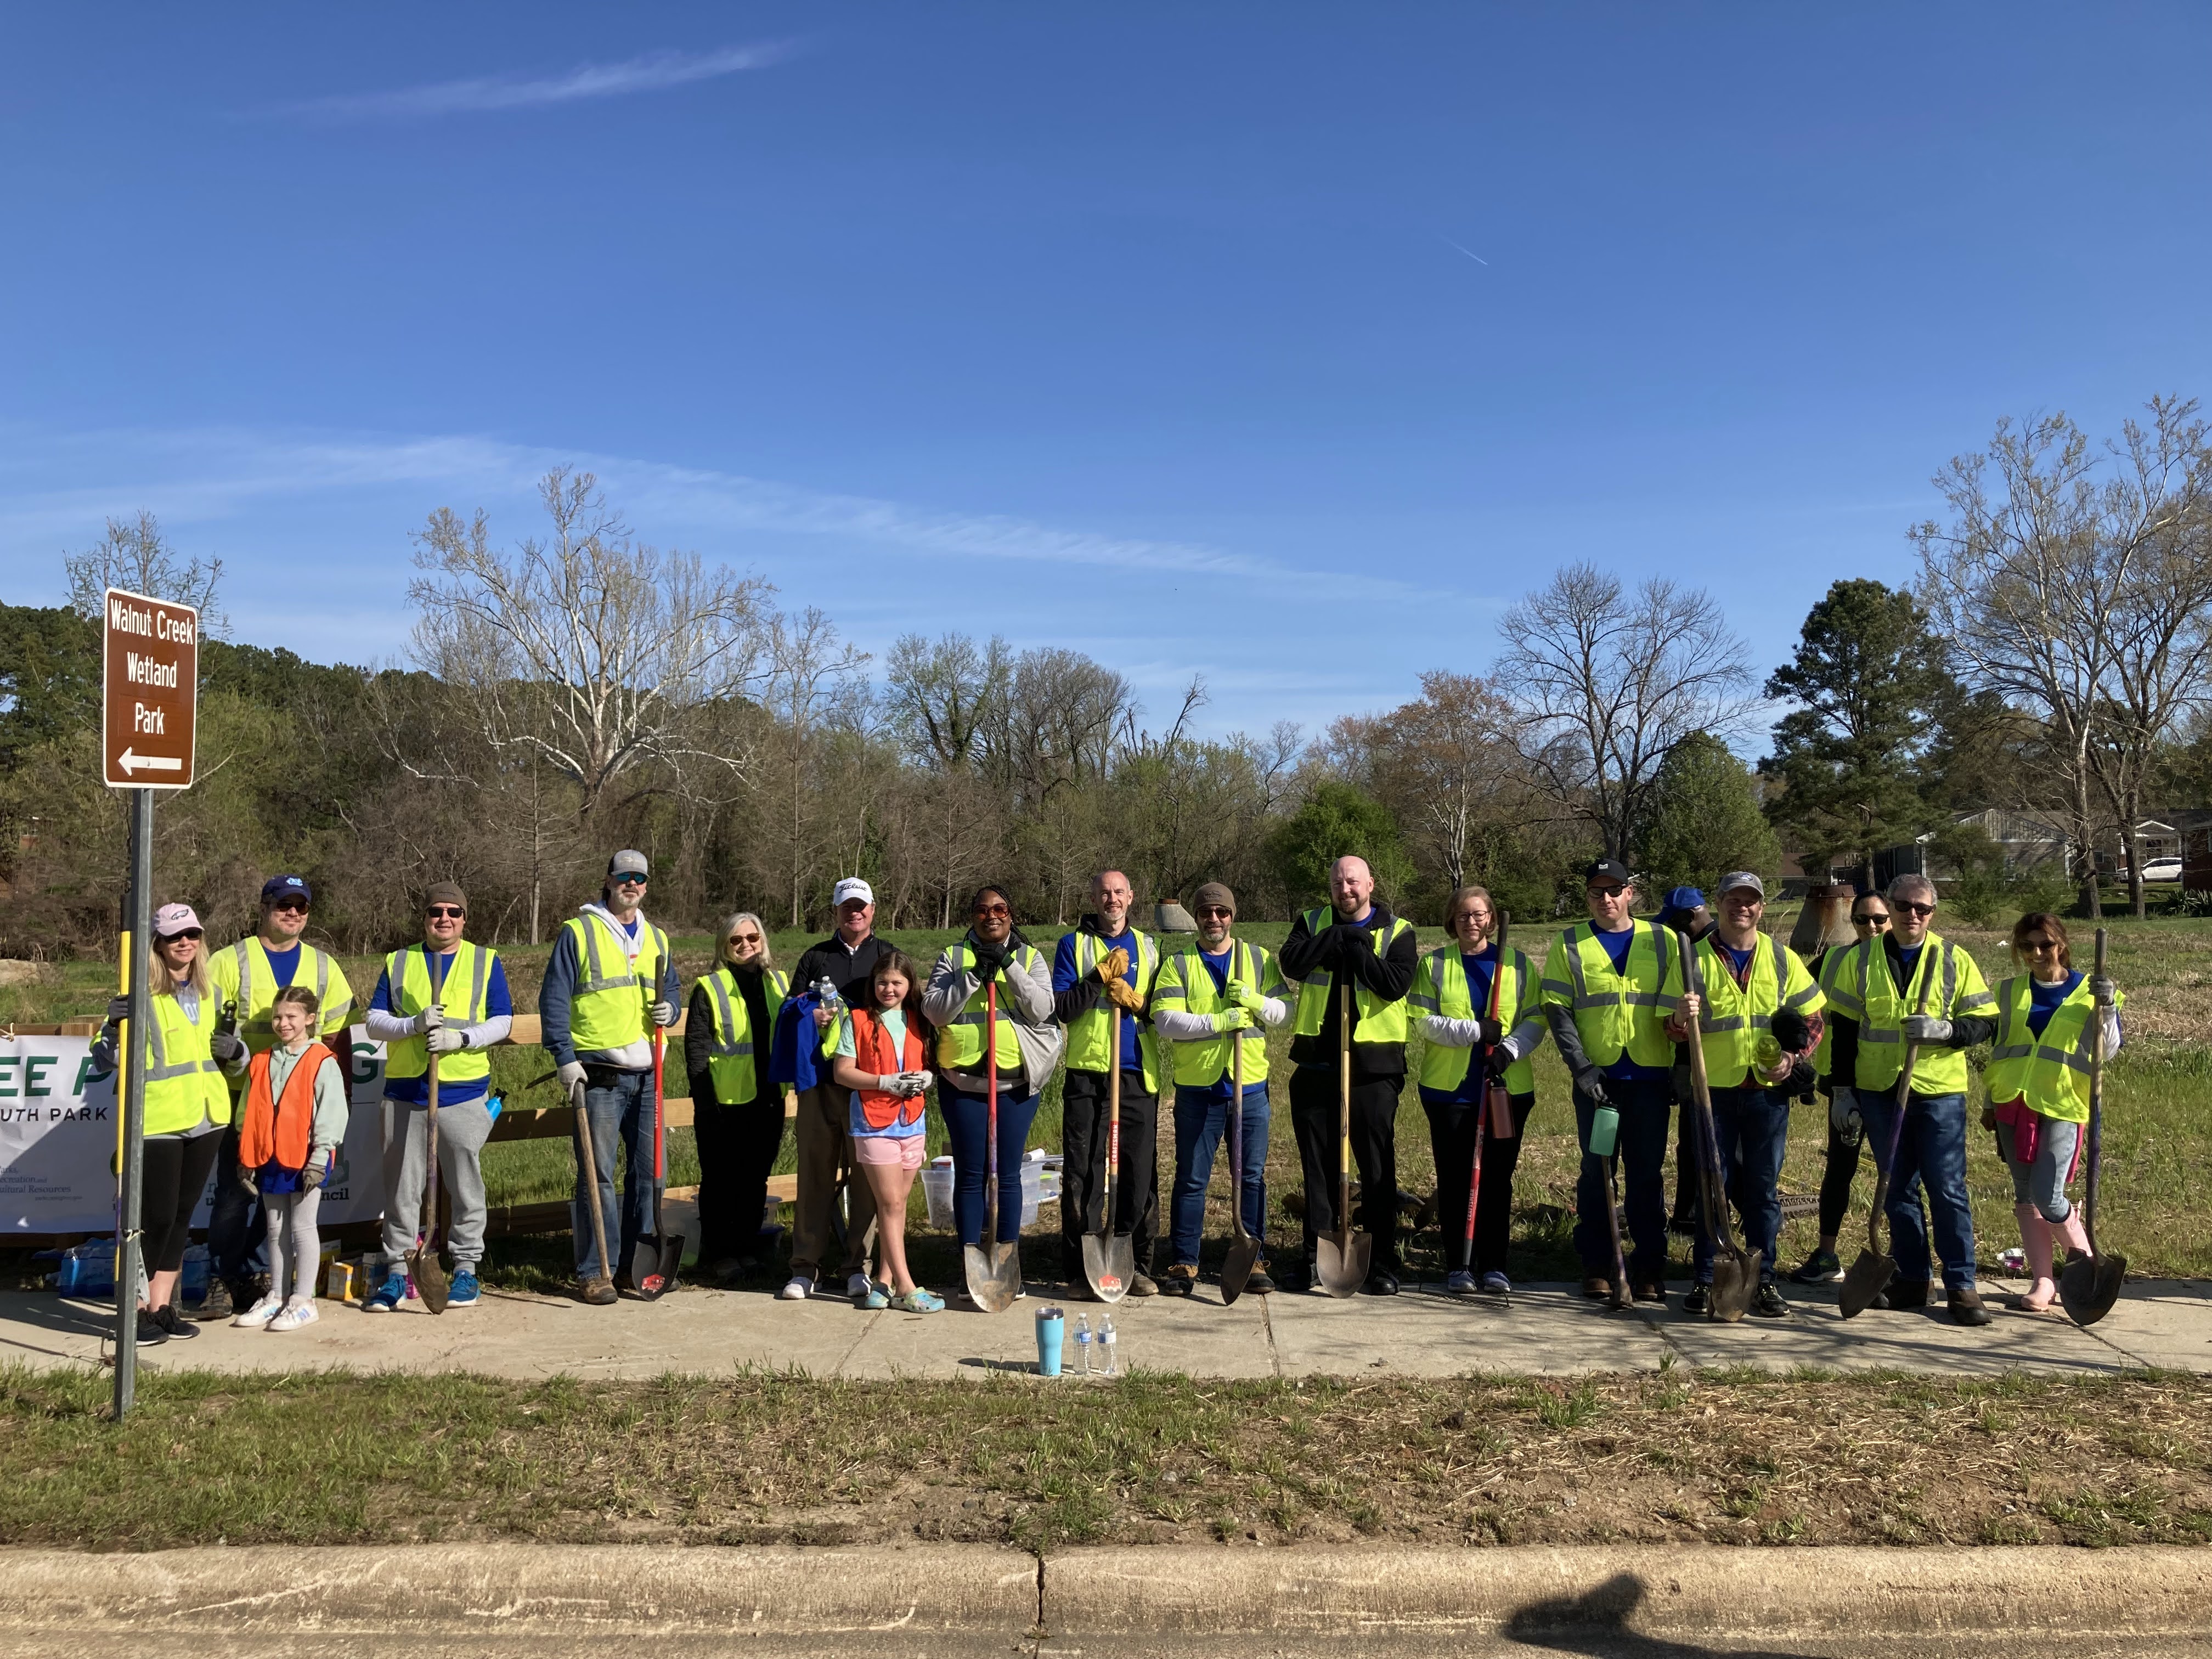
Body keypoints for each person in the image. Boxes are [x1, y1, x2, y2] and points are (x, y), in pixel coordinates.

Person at [1823, 873, 1999, 1325]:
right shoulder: (1859, 960)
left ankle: (1961, 1285)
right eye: (1904, 907)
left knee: (1947, 1188)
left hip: (1937, 1091)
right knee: (1895, 1186)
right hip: (1879, 1089)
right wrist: (1842, 1091)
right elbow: (1843, 1029)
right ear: (1891, 908)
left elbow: (1984, 1022)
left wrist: (1946, 1031)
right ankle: (1913, 1278)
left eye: (1923, 909)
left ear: (1933, 913)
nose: (1913, 916)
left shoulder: (1953, 959)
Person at [1667, 872, 1825, 1318]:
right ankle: (1705, 1278)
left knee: (1762, 1189)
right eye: (1734, 899)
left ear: (1761, 907)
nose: (1743, 907)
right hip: (1711, 1090)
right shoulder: (1691, 958)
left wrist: (1793, 1059)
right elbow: (1669, 1028)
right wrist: (1680, 1017)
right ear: (1718, 904)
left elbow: (1814, 1016)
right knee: (1711, 1184)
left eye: (1751, 901)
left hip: (1766, 1093)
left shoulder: (1781, 958)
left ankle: (1763, 1280)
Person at [201, 875, 356, 1322]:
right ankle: (223, 1277)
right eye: (282, 904)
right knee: (235, 1194)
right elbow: (206, 1025)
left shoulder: (324, 966)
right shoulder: (230, 961)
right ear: (264, 907)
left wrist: (337, 1098)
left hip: (299, 1107)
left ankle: (260, 1277)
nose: (292, 913)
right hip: (241, 1098)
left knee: (282, 1205)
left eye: (300, 907)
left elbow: (337, 1037)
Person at [91, 902, 245, 1345]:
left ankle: (161, 1308)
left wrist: (236, 1054)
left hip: (207, 1116)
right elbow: (105, 1060)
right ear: (157, 944)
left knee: (180, 1217)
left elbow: (226, 1059)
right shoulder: (138, 992)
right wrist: (113, 1028)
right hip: (156, 1119)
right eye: (176, 936)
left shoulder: (208, 991)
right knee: (152, 1218)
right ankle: (133, 1309)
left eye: (193, 935)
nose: (186, 943)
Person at [360, 882, 514, 1313]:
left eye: (453, 912)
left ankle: (466, 1269)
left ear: (465, 918)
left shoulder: (485, 962)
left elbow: (502, 1021)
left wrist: (460, 1038)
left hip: (462, 1091)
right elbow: (373, 1020)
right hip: (406, 1092)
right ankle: (396, 1272)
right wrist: (412, 1025)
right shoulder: (399, 961)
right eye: (435, 912)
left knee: (466, 1185)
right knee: (401, 1191)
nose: (444, 919)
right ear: (424, 917)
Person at [1539, 858, 1685, 1304]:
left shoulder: (1664, 941)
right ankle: (1598, 1264)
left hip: (1648, 1080)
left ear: (1631, 893)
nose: (1605, 900)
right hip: (1599, 1084)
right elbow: (1558, 1011)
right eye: (1596, 892)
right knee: (1597, 1172)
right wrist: (1582, 1068)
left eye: (1614, 890)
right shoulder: (1571, 944)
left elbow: (1682, 1007)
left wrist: (1679, 1068)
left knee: (1645, 1175)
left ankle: (1648, 1268)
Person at [539, 850, 681, 1305]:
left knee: (649, 1177)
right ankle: (595, 1270)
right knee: (597, 1176)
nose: (632, 884)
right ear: (609, 880)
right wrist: (564, 1056)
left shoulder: (657, 937)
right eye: (625, 877)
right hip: (599, 1075)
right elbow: (555, 998)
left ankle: (634, 1269)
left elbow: (672, 988)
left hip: (648, 1074)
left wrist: (672, 1008)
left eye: (640, 878)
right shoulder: (579, 932)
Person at [1278, 855, 1420, 1295]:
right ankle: (1314, 1258)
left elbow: (1392, 983)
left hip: (1373, 1068)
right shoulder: (1311, 920)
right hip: (1318, 1064)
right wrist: (1337, 935)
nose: (1346, 890)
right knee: (1317, 1170)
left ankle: (1381, 1263)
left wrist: (1355, 947)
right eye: (1339, 883)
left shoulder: (1399, 931)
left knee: (1377, 1168)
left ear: (1370, 885)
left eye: (1354, 882)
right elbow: (1294, 963)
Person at [921, 883, 1063, 1299]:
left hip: (1015, 1087)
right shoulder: (953, 956)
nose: (991, 916)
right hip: (964, 1086)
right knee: (970, 1174)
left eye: (999, 908)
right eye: (982, 910)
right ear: (972, 916)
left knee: (1008, 1175)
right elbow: (933, 1010)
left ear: (1011, 913)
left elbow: (1042, 1009)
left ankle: (1005, 1261)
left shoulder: (1029, 957)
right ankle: (972, 1264)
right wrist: (970, 979)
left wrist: (1008, 967)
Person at [1152, 881, 1290, 1296]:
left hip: (1249, 1087)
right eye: (1207, 913)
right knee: (1193, 1178)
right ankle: (1184, 1261)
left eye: (1222, 913)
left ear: (1232, 916)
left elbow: (1283, 1013)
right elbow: (1164, 1019)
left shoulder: (1258, 959)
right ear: (1197, 917)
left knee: (1250, 1176)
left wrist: (1253, 1001)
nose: (1215, 919)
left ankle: (1254, 1255)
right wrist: (1219, 1022)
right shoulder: (1179, 963)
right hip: (1200, 1090)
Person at [1984, 913, 2122, 1313]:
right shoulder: (2008, 991)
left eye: (2045, 944)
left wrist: (2108, 1006)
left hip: (2063, 1102)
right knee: (2026, 1193)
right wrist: (1990, 1103)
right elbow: (2001, 1048)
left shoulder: (2086, 991)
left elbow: (2108, 1050)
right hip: (2013, 1100)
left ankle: (2086, 1265)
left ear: (2061, 944)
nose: (2037, 953)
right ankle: (2044, 1281)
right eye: (2027, 946)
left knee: (2049, 1193)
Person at [1412, 884, 1547, 1296]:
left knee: (1496, 1179)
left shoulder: (1518, 965)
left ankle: (1494, 1265)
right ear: (1452, 920)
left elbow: (1535, 1018)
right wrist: (1473, 1031)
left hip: (1505, 1091)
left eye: (1480, 914)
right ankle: (1459, 1264)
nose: (1472, 922)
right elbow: (1421, 1019)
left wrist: (1507, 1049)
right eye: (1463, 915)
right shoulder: (1434, 965)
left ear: (1491, 918)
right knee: (1455, 1179)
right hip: (1449, 1092)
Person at [1051, 869, 1162, 1296]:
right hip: (1088, 1071)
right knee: (1084, 1173)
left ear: (1131, 897)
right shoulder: (1073, 946)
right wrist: (1097, 980)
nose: (1111, 900)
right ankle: (1081, 1270)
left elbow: (1162, 1010)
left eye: (1119, 892)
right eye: (1104, 893)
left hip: (1135, 1071)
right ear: (1093, 898)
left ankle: (1138, 1264)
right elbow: (1064, 1008)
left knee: (1137, 1170)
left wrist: (1136, 1002)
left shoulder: (1150, 949)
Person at [786, 877, 892, 1301]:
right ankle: (805, 1266)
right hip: (819, 1083)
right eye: (848, 906)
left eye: (862, 906)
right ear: (836, 911)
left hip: (866, 1086)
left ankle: (857, 1266)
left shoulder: (887, 956)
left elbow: (903, 1003)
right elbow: (792, 1011)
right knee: (814, 1174)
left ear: (872, 909)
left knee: (865, 1178)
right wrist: (810, 1017)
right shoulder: (816, 957)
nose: (856, 913)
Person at [829, 950, 943, 1312]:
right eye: (882, 982)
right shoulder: (858, 1020)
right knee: (891, 1203)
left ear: (910, 985)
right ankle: (908, 1288)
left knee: (895, 1206)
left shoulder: (918, 1020)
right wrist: (884, 1082)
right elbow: (842, 1072)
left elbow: (929, 1064)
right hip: (874, 1123)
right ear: (872, 984)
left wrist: (928, 1078)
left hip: (912, 1121)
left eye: (896, 982)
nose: (888, 989)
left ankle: (883, 1282)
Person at [233, 985, 349, 1331]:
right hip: (270, 1157)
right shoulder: (264, 1060)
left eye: (292, 1017)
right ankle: (277, 1296)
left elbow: (332, 1113)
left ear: (310, 1020)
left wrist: (319, 1157)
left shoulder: (322, 1061)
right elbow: (248, 1112)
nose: (283, 1023)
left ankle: (303, 1300)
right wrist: (246, 1155)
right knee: (275, 1227)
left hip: (306, 1158)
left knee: (302, 1227)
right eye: (278, 1016)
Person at [686, 913, 789, 1284]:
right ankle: (718, 1255)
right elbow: (697, 1050)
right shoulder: (710, 988)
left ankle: (747, 1249)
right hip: (724, 1103)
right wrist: (705, 1103)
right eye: (736, 940)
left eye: (753, 937)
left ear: (763, 940)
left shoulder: (778, 983)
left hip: (769, 1097)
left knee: (755, 1179)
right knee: (720, 1181)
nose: (746, 944)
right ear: (725, 946)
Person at [1788, 886, 1881, 1285]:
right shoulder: (1833, 959)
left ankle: (1900, 1259)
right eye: (1862, 919)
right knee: (1839, 1170)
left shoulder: (1905, 962)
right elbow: (1795, 1001)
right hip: (1845, 1086)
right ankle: (1826, 1256)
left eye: (1880, 919)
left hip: (1892, 1087)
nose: (1872, 927)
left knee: (1899, 1177)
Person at [1654, 885, 1711, 1235]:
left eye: (1673, 922)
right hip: (1696, 1064)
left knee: (1699, 1145)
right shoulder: (1693, 948)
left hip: (1713, 1070)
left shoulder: (1704, 953)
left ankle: (1698, 1216)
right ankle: (1689, 1214)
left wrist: (1683, 1068)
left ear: (1689, 917)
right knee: (1693, 1143)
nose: (1671, 931)